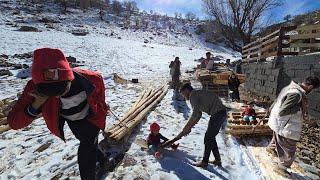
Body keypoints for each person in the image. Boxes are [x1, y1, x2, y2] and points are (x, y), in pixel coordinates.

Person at [7, 48, 109, 180]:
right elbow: (14, 122)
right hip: (72, 121)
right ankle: (103, 159)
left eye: (61, 90)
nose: (57, 96)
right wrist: (36, 104)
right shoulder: (35, 89)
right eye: (50, 94)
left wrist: (101, 111)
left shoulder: (91, 79)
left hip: (91, 119)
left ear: (69, 76)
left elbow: (100, 97)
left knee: (86, 151)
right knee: (88, 143)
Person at [254, 76, 320, 177]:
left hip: (278, 121)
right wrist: (299, 109)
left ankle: (271, 149)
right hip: (285, 124)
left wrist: (270, 110)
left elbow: (277, 101)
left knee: (277, 138)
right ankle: (281, 168)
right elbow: (283, 111)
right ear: (310, 86)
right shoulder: (296, 94)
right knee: (289, 148)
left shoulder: (289, 88)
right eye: (312, 89)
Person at [179, 83, 227, 168]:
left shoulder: (192, 95)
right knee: (210, 137)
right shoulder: (197, 93)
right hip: (220, 113)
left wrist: (186, 128)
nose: (183, 96)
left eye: (183, 93)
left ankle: (205, 162)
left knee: (208, 137)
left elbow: (195, 114)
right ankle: (217, 160)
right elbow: (198, 114)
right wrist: (189, 127)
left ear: (186, 90)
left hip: (218, 114)